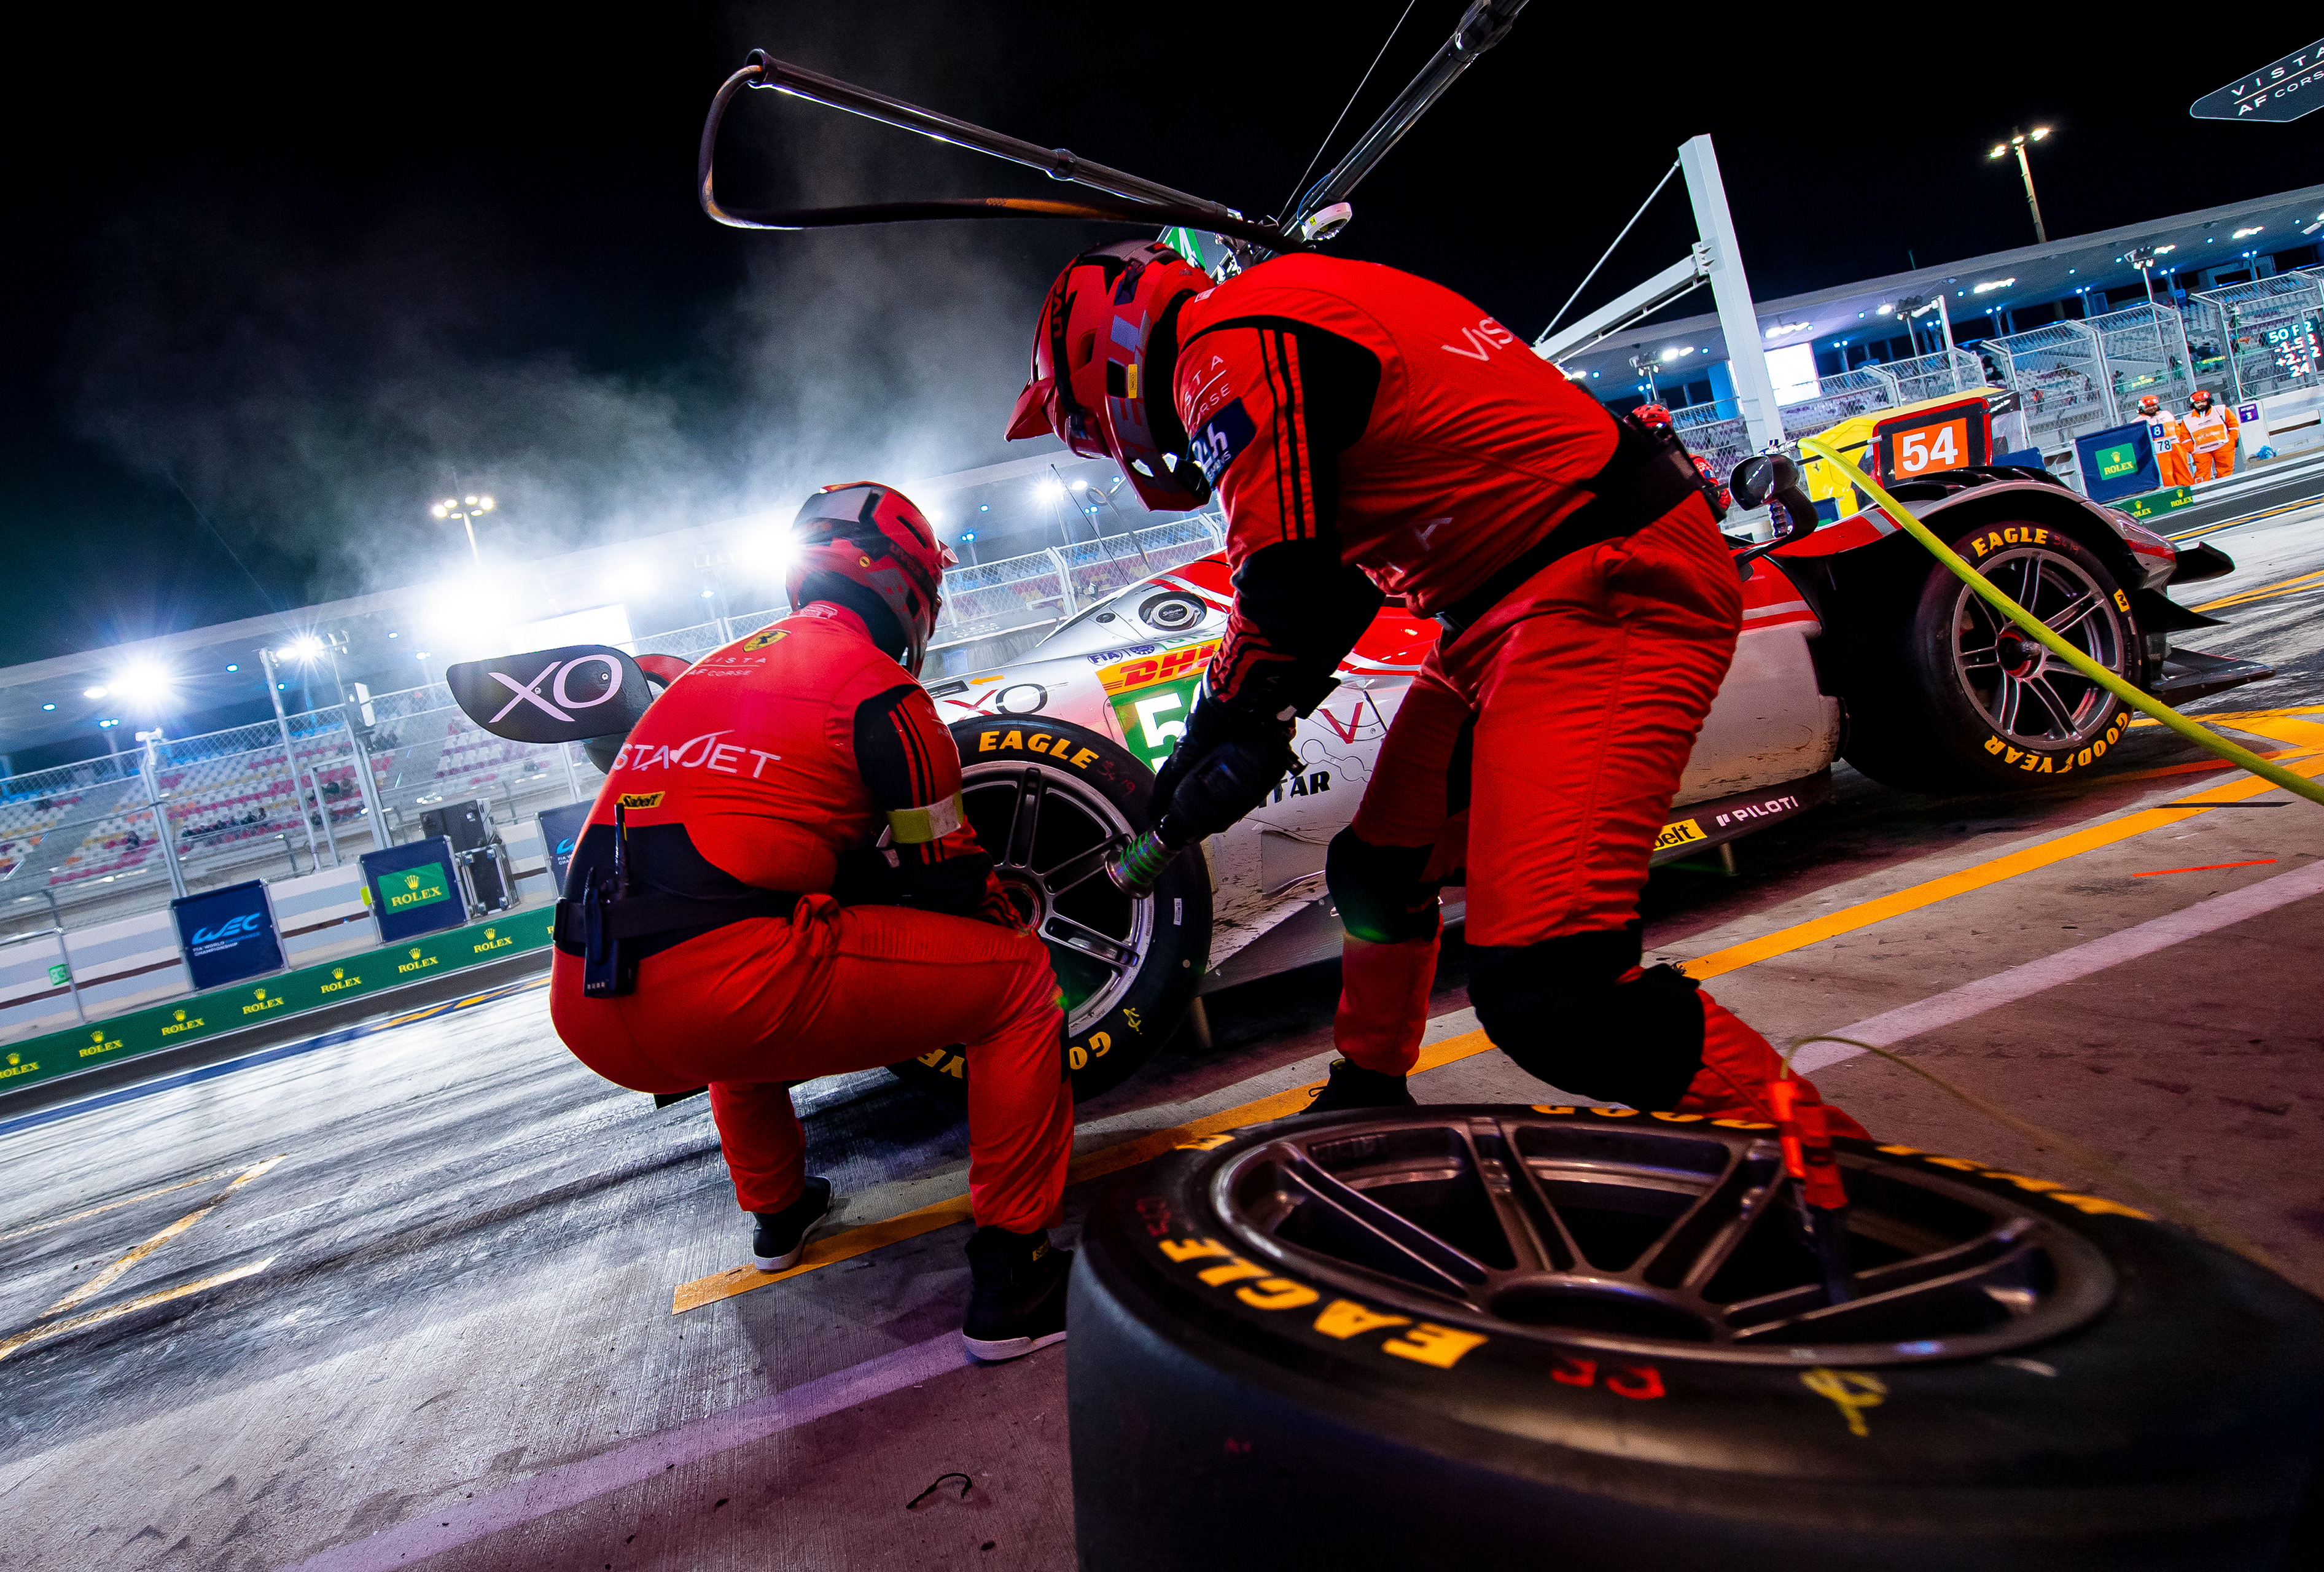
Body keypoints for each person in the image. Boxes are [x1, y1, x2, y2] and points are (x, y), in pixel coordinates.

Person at [1007, 240, 1864, 1138]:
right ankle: (1369, 1092)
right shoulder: (1266, 320)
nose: (1111, 453)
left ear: (1103, 362)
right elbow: (1314, 593)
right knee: (1378, 872)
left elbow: (1293, 597)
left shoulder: (1225, 347)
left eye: (1089, 431)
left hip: (1598, 584)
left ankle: (1842, 1182)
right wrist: (1219, 733)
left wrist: (1218, 733)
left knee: (1553, 990)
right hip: (1509, 604)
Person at [547, 483, 1075, 1362]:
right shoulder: (882, 690)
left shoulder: (714, 670)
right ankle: (1016, 1279)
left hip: (588, 1002)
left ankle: (779, 1211)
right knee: (1018, 981)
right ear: (912, 586)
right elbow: (945, 884)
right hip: (723, 988)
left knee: (750, 963)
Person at [2139, 394, 2193, 488]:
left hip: (2175, 445)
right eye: (2148, 407)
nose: (2152, 408)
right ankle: (2172, 491)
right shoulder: (2139, 421)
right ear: (2142, 408)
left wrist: (2182, 445)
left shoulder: (2167, 414)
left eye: (2153, 405)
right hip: (2158, 450)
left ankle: (2189, 488)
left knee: (2183, 469)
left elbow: (2177, 430)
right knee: (2165, 473)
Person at [2185, 389, 2239, 481]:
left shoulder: (2221, 410)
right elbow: (2184, 437)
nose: (2201, 404)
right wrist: (2192, 449)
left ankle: (2225, 490)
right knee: (2202, 475)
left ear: (2208, 401)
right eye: (2197, 403)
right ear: (2193, 405)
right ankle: (2202, 493)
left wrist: (2232, 441)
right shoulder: (2187, 419)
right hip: (2201, 451)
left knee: (2226, 472)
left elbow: (2233, 425)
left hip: (2223, 446)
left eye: (2203, 402)